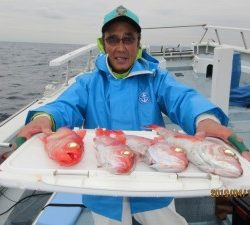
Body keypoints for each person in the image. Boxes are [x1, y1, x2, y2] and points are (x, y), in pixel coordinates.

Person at [17, 5, 250, 225]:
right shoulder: (87, 83)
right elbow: (65, 106)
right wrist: (44, 119)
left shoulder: (156, 78)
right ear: (103, 43)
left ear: (138, 43)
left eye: (128, 38)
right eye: (113, 39)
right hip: (105, 188)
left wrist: (205, 120)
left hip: (154, 179)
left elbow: (183, 99)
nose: (121, 47)